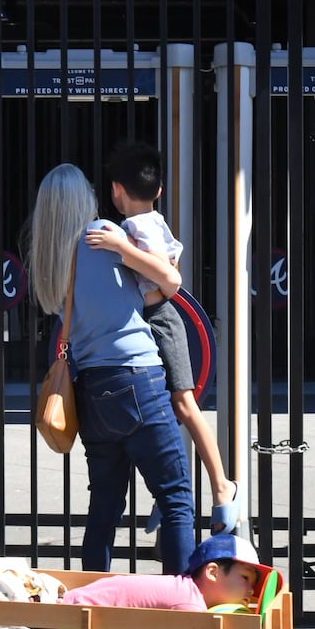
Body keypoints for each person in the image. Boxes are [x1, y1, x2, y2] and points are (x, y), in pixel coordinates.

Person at [28, 163, 196, 574]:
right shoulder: (101, 235)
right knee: (176, 497)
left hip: (90, 388)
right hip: (137, 377)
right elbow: (170, 281)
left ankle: (93, 609)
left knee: (103, 507)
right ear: (80, 200)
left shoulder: (49, 256)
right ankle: (183, 609)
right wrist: (127, 248)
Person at [84, 141, 244, 535]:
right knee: (168, 408)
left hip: (158, 319)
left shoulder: (134, 229)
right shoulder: (152, 222)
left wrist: (122, 248)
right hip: (149, 318)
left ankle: (223, 486)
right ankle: (169, 493)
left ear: (116, 189)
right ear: (158, 191)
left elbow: (169, 280)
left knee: (184, 404)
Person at [61, 534, 272, 611]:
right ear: (213, 573)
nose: (251, 590)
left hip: (79, 602)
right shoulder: (190, 604)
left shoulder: (187, 589)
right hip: (76, 610)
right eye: (245, 578)